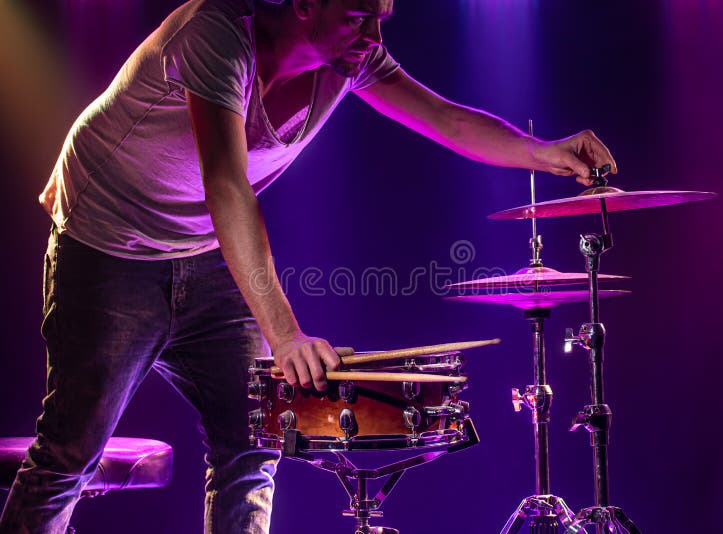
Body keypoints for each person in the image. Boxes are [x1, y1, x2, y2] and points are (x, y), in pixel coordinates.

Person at [0, 0, 617, 532]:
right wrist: (285, 333)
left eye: (381, 18)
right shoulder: (216, 33)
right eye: (356, 16)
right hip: (108, 244)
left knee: (253, 443)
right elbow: (226, 184)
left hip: (201, 249)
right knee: (70, 450)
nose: (373, 37)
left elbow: (448, 120)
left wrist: (546, 154)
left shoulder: (353, 62)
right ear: (301, 2)